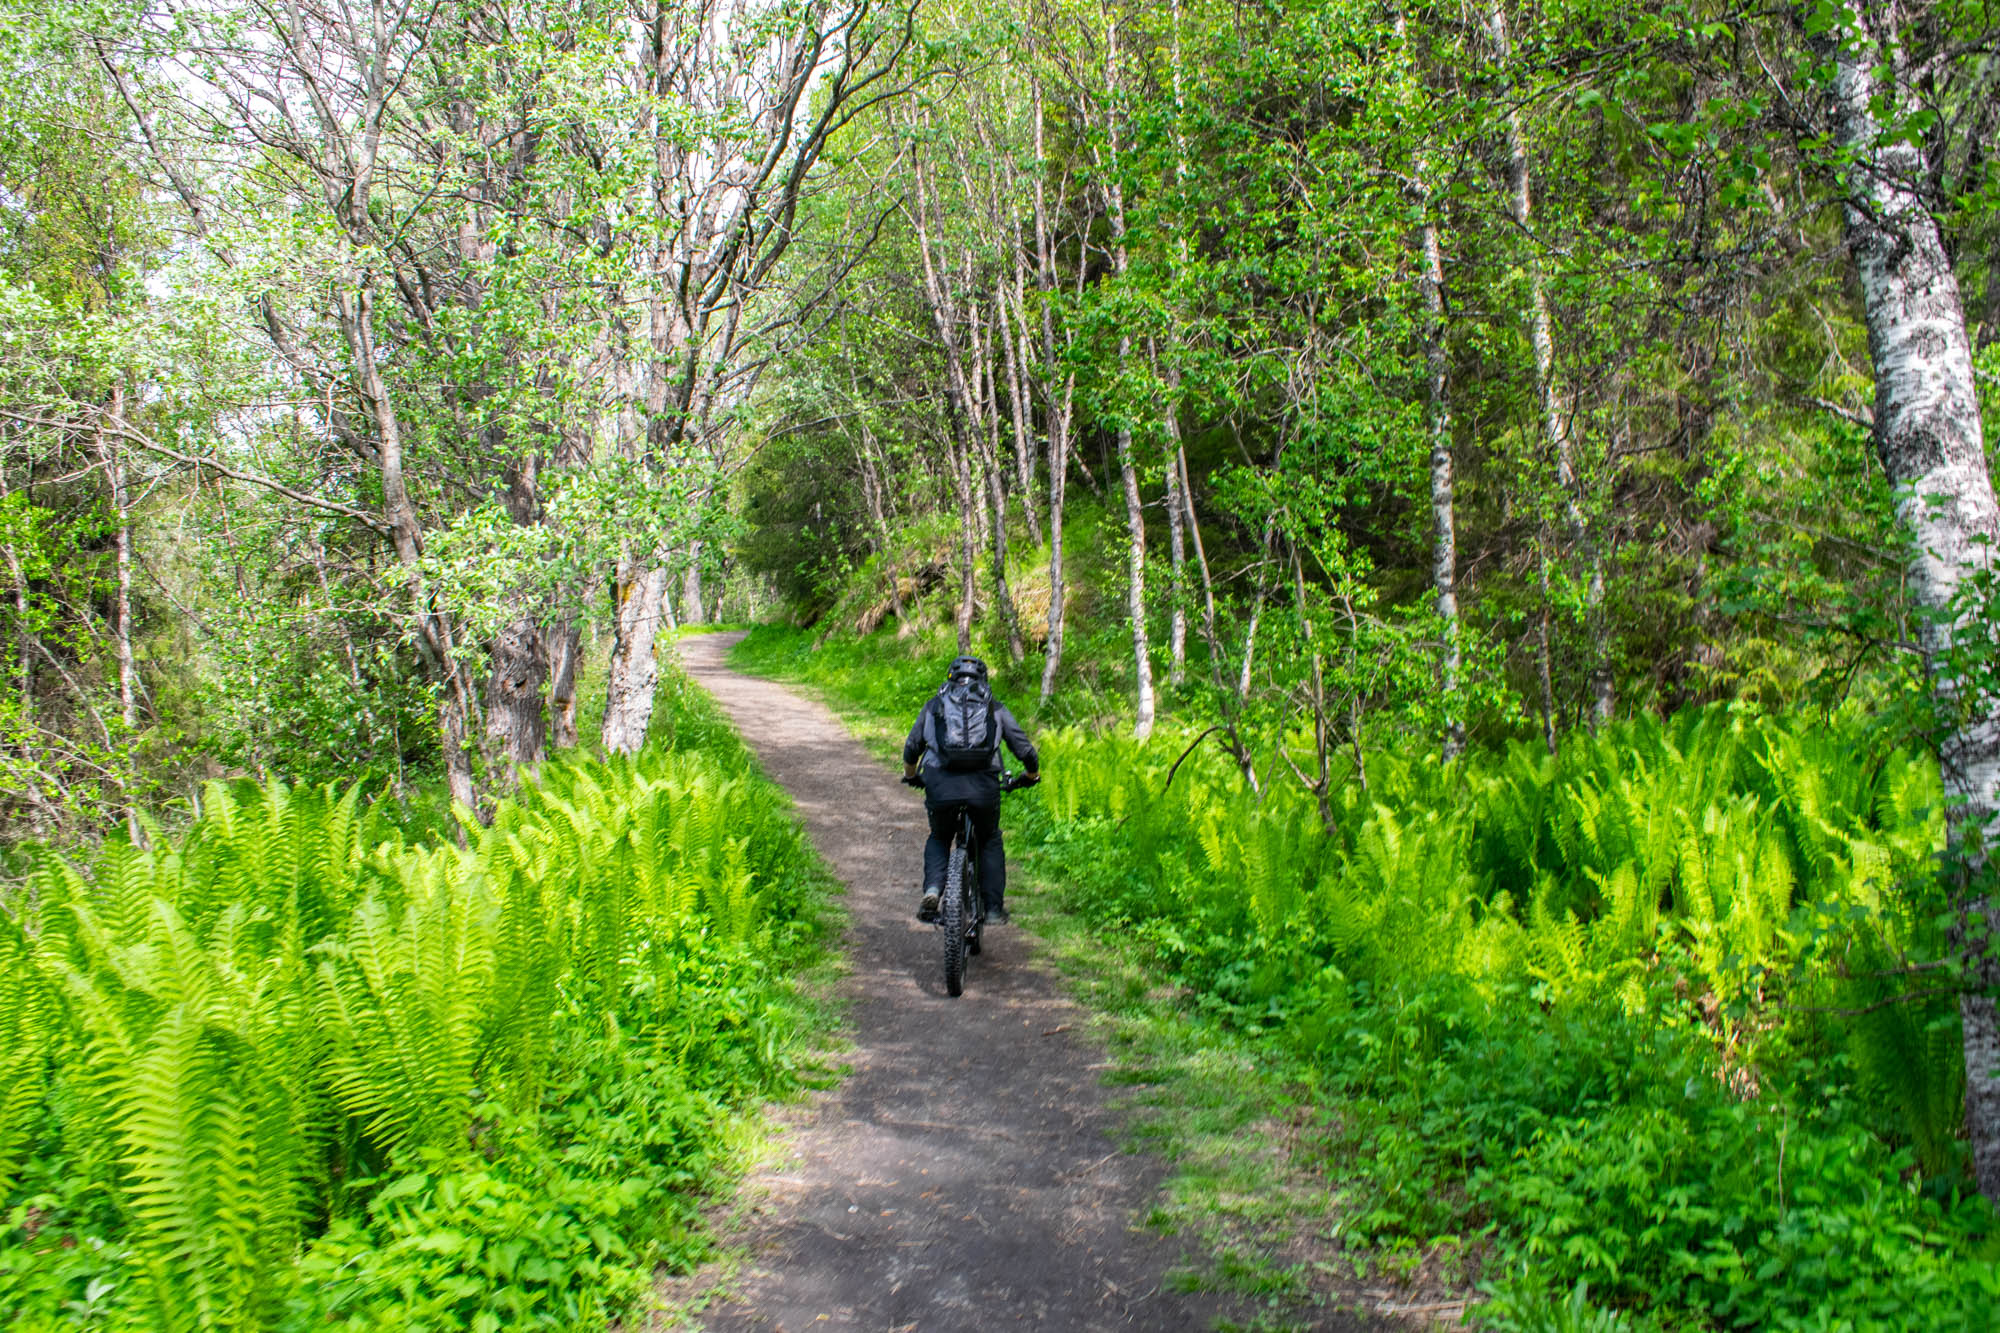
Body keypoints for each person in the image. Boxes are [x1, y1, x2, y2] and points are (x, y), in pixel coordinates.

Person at [901, 655, 1038, 924]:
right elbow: (1024, 749)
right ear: (983, 680)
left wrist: (912, 775)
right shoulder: (994, 708)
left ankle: (932, 891)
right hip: (983, 787)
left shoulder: (934, 706)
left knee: (940, 837)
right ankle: (994, 910)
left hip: (941, 784)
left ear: (950, 678)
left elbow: (911, 747)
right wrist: (1030, 775)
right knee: (989, 839)